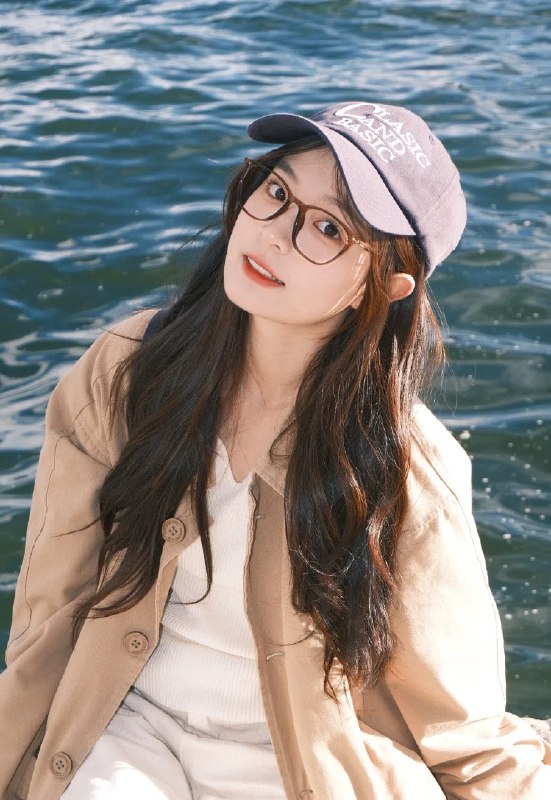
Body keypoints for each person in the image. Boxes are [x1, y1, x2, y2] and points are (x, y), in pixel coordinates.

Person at [1, 100, 549, 800]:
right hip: (128, 724)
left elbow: (460, 728)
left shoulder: (408, 468)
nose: (275, 235)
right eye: (278, 192)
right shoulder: (129, 372)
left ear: (385, 286)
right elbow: (50, 613)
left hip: (296, 760)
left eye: (328, 228)